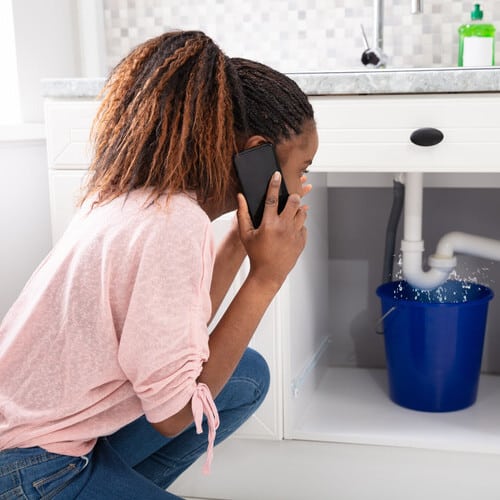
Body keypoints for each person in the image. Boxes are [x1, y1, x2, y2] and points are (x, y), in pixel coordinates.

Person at [0, 30, 318, 499]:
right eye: (303, 168)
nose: (304, 182)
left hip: (31, 435)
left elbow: (170, 341)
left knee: (245, 376)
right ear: (257, 152)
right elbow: (171, 416)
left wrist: (237, 240)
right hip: (33, 468)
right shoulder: (175, 227)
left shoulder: (138, 198)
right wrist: (266, 279)